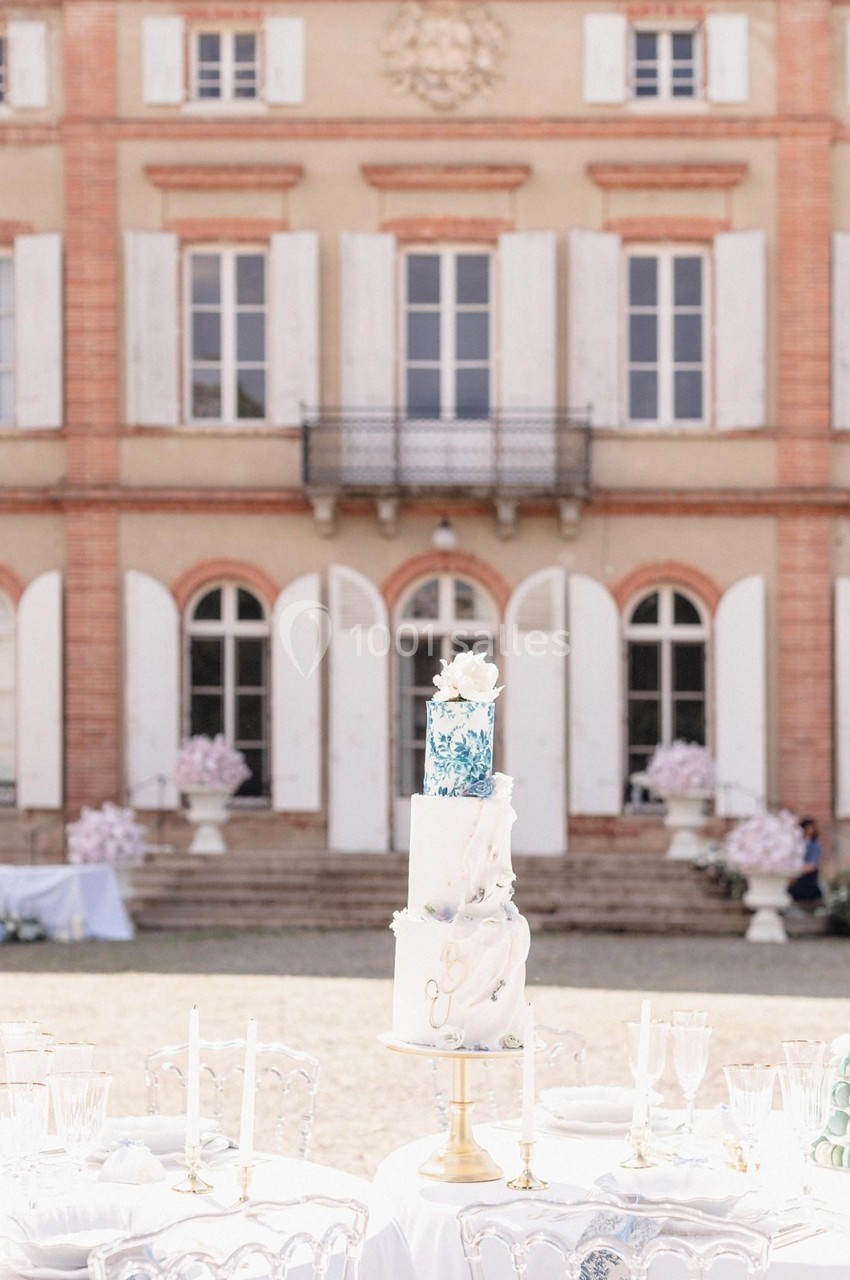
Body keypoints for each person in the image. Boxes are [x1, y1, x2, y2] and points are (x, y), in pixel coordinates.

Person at [789, 816, 824, 906]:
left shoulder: (814, 845)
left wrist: (797, 872)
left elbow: (812, 865)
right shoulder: (798, 842)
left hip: (805, 875)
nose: (811, 830)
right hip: (796, 872)